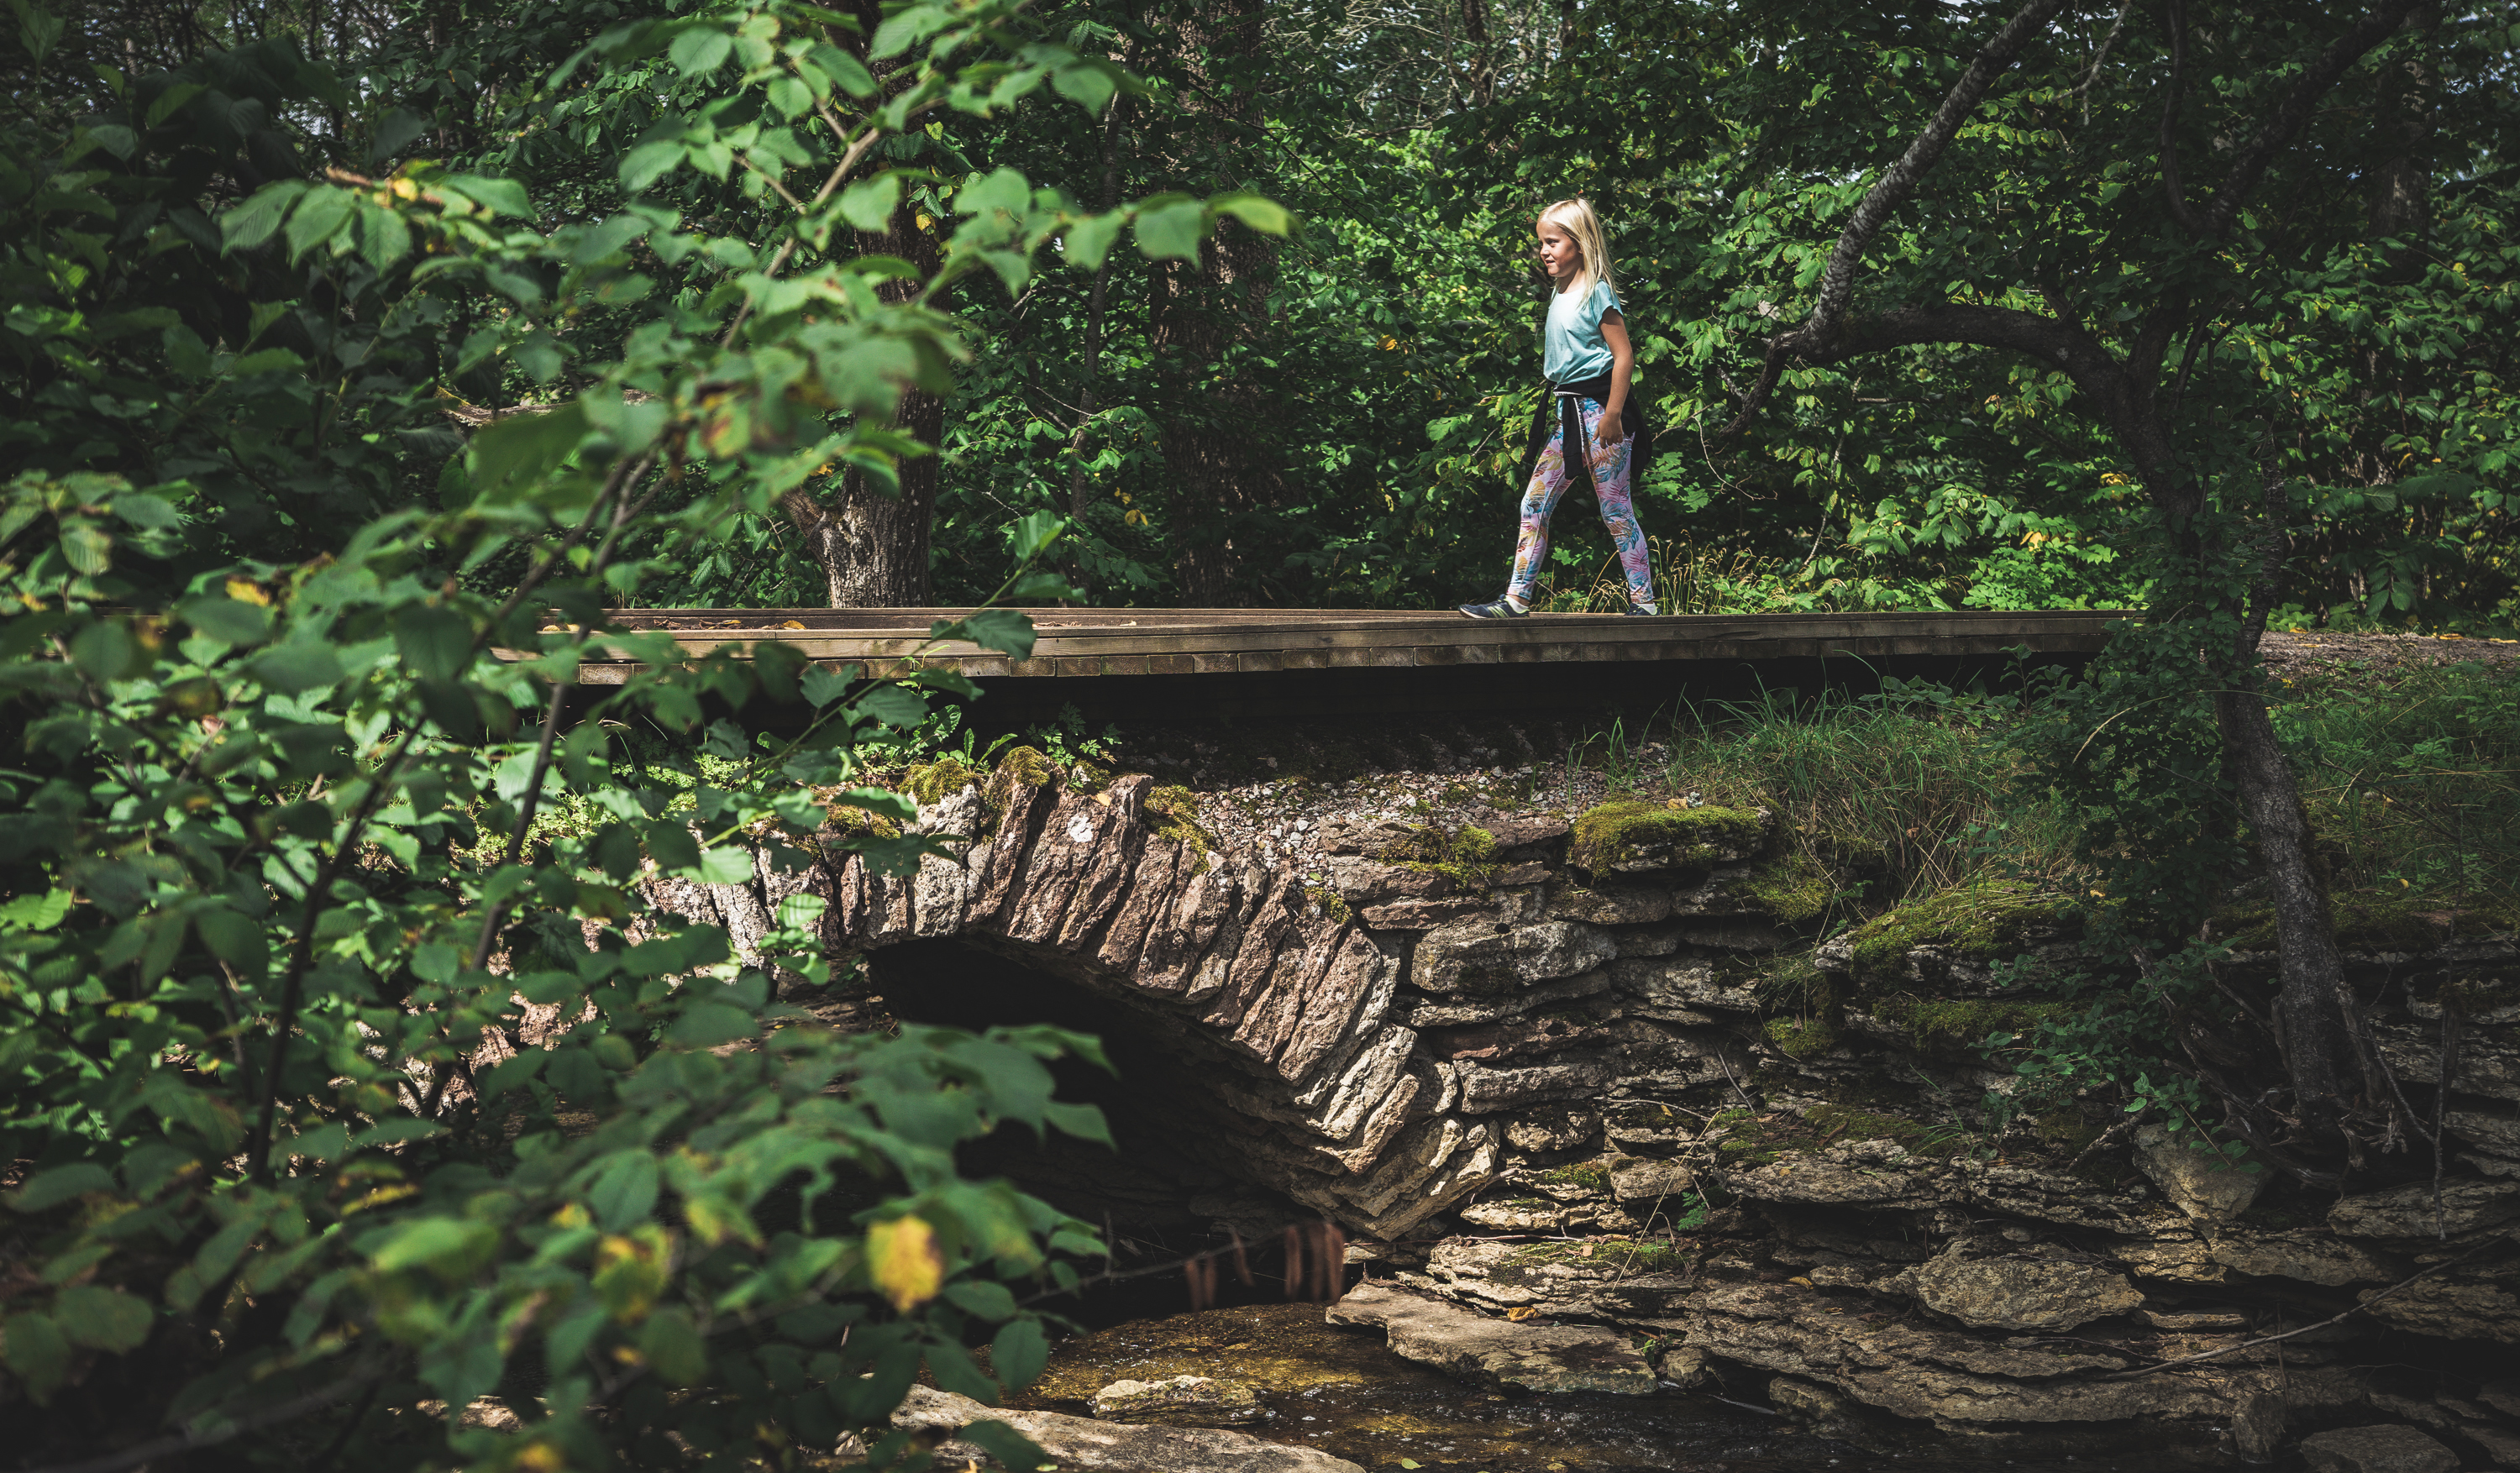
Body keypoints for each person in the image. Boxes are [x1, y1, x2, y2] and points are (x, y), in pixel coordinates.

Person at [1459, 197, 1657, 618]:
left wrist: (1613, 416)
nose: (1544, 251)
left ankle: (1645, 604)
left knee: (1615, 508)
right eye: (1541, 243)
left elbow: (1623, 356)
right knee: (1534, 503)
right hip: (1568, 416)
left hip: (1603, 415)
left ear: (1580, 243)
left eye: (1553, 242)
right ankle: (1516, 600)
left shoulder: (1597, 291)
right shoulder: (1560, 287)